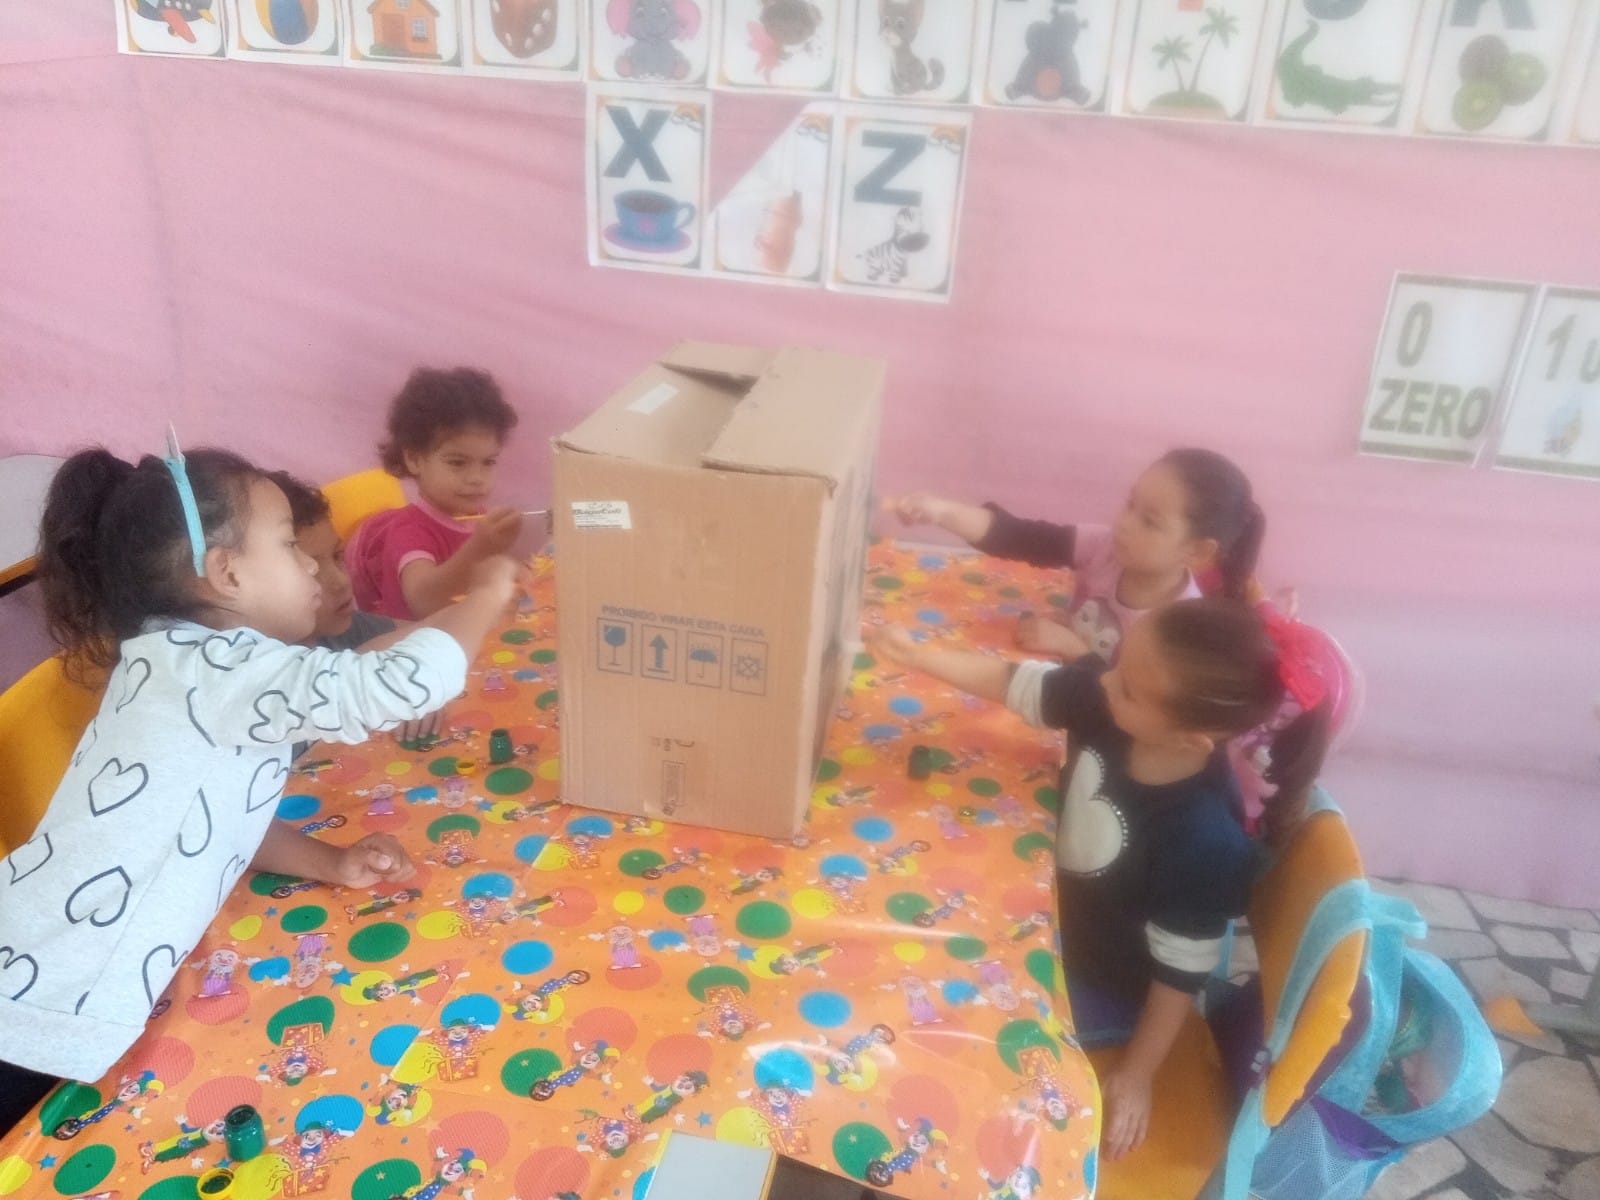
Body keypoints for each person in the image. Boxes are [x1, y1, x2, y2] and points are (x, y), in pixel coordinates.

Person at [0, 446, 519, 1130]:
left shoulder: (178, 659)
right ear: (226, 572)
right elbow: (399, 685)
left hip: (39, 967)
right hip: (46, 998)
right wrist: (483, 598)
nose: (312, 566)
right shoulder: (218, 669)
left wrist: (329, 862)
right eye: (289, 545)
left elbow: (208, 818)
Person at [867, 597, 1329, 1159]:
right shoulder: (1113, 699)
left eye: (1127, 686)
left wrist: (1136, 1074)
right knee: (911, 923)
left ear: (1188, 741)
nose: (1104, 681)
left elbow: (1179, 975)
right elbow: (1016, 682)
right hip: (1047, 913)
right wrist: (919, 656)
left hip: (1102, 984)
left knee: (953, 1028)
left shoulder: (1206, 841)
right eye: (1118, 665)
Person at [888, 448, 1263, 664]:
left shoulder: (1181, 626)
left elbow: (1137, 705)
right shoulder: (1105, 548)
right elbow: (1019, 536)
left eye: (1149, 521)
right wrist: (940, 511)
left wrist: (1074, 648)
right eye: (1130, 504)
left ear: (1197, 551)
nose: (1125, 523)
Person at [265, 470, 440, 747]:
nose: (341, 581)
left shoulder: (341, 629)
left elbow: (436, 635)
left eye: (337, 556)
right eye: (311, 569)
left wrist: (424, 685)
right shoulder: (260, 686)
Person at [345, 367, 523, 619]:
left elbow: (483, 577)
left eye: (488, 462)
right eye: (457, 463)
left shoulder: (476, 517)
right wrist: (480, 547)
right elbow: (424, 602)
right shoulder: (409, 531)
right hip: (417, 639)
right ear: (414, 459)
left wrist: (514, 571)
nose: (477, 478)